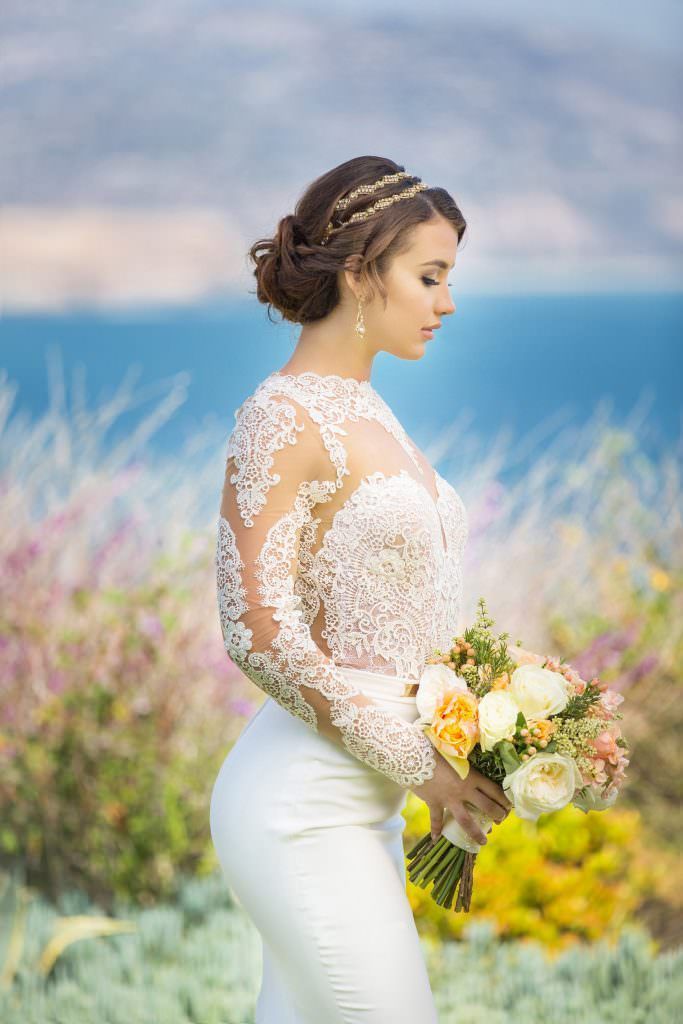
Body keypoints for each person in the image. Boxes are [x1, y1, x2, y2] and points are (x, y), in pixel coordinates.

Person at [209, 155, 512, 1023]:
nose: (445, 303)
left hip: (366, 804)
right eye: (429, 276)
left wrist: (484, 729)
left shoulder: (370, 410)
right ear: (357, 273)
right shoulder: (282, 416)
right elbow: (257, 632)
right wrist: (426, 770)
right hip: (301, 805)